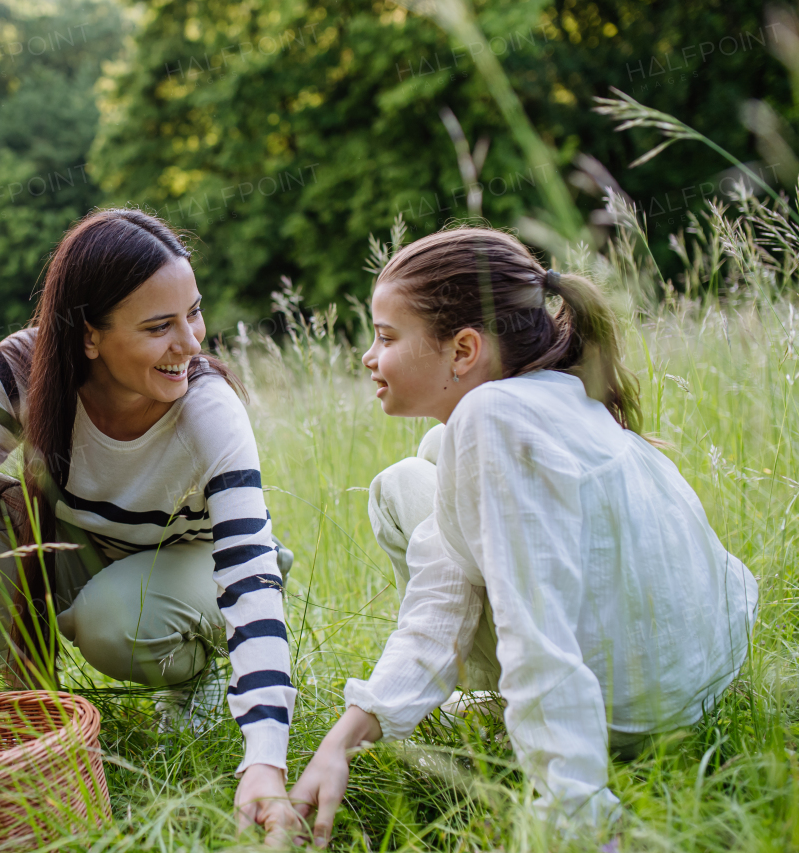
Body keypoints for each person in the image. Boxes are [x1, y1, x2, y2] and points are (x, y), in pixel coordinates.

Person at [289, 227, 758, 843]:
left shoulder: (494, 418)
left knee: (399, 485)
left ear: (463, 350)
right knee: (426, 463)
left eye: (386, 337)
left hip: (631, 708)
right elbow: (446, 586)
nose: (370, 358)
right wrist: (343, 741)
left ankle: (520, 729)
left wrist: (574, 806)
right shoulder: (558, 400)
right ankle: (457, 704)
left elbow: (533, 622)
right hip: (692, 682)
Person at [0, 209, 300, 842]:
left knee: (110, 623)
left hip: (201, 568)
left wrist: (264, 760)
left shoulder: (209, 410)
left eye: (194, 312)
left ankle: (195, 673)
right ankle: (37, 723)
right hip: (98, 552)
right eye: (159, 326)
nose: (189, 342)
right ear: (89, 336)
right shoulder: (25, 368)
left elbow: (250, 580)